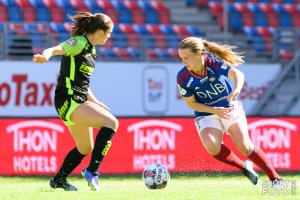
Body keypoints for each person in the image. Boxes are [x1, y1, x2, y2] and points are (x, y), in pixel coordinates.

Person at [177, 37, 281, 186]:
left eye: (187, 58)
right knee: (212, 146)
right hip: (206, 113)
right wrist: (214, 110)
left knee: (244, 146)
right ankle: (244, 167)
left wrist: (236, 89)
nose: (184, 62)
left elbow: (238, 75)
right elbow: (191, 103)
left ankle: (275, 179)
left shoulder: (212, 63)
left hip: (228, 107)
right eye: (181, 58)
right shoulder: (183, 78)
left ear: (199, 54)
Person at [32, 11, 118, 191]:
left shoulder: (91, 50)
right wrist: (45, 56)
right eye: (109, 33)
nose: (110, 37)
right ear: (100, 31)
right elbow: (56, 48)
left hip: (77, 99)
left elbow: (83, 83)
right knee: (111, 123)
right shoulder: (79, 42)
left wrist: (95, 101)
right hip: (69, 99)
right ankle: (92, 171)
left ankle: (58, 180)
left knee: (85, 147)